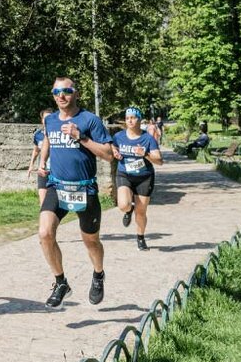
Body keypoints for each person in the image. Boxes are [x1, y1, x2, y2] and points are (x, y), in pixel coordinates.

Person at [28, 75, 117, 307]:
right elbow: (47, 140)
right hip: (57, 186)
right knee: (45, 233)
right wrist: (42, 162)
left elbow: (108, 155)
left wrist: (82, 137)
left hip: (84, 189)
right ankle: (61, 282)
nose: (62, 96)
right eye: (57, 93)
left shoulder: (90, 120)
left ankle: (98, 274)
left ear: (76, 93)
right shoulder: (51, 121)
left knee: (91, 241)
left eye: (66, 91)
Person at [111, 106, 164, 250]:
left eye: (133, 118)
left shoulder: (147, 138)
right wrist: (114, 151)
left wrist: (145, 154)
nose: (130, 120)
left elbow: (159, 161)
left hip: (144, 177)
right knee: (123, 204)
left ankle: (140, 238)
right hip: (125, 174)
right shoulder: (118, 136)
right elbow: (112, 147)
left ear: (139, 120)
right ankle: (128, 210)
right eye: (127, 118)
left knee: (141, 212)